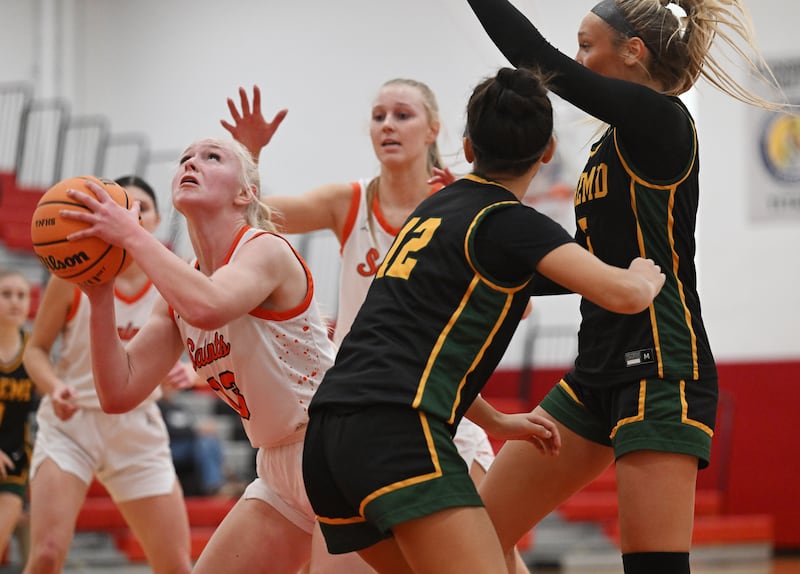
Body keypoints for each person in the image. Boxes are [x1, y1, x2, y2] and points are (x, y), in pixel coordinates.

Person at [463, 1, 788, 573]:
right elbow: (590, 262)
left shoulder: (661, 120)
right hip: (597, 366)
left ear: (633, 50)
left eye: (588, 46)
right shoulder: (610, 145)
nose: (579, 59)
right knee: (472, 540)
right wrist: (482, 265)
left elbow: (536, 59)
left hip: (661, 364)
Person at [301, 65, 666, 574]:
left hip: (325, 441)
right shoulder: (508, 223)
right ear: (547, 151)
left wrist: (495, 421)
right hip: (395, 429)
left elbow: (410, 346)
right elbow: (623, 294)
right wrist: (648, 273)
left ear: (468, 148)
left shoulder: (432, 211)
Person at [222, 80, 529, 574]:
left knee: (496, 550)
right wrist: (249, 156)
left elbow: (517, 302)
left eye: (402, 115)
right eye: (379, 115)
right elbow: (259, 223)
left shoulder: (466, 204)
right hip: (362, 409)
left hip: (440, 404)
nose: (388, 124)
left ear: (433, 129)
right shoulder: (349, 202)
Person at [61, 137, 337, 574]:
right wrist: (100, 294)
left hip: (338, 449)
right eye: (185, 158)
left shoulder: (264, 248)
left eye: (212, 157)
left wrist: (132, 236)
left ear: (244, 193)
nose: (192, 163)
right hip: (277, 468)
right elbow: (118, 392)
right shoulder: (179, 289)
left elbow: (209, 307)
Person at [22, 176, 193, 574]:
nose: (127, 214)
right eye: (118, 206)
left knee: (177, 566)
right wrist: (54, 386)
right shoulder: (70, 275)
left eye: (140, 208)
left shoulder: (174, 277)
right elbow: (35, 351)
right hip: (72, 421)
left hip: (136, 426)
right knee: (46, 555)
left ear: (151, 221)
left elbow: (220, 347)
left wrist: (189, 376)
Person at [0, 268, 37, 565]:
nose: (15, 301)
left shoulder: (34, 352)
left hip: (14, 462)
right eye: (6, 294)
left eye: (21, 295)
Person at [157, 379, 227, 497]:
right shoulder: (157, 408)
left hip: (189, 446)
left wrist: (199, 432)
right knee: (204, 443)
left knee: (209, 441)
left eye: (171, 387)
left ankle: (219, 482)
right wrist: (197, 432)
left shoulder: (180, 408)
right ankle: (213, 486)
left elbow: (189, 426)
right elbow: (164, 432)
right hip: (170, 447)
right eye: (166, 386)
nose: (170, 390)